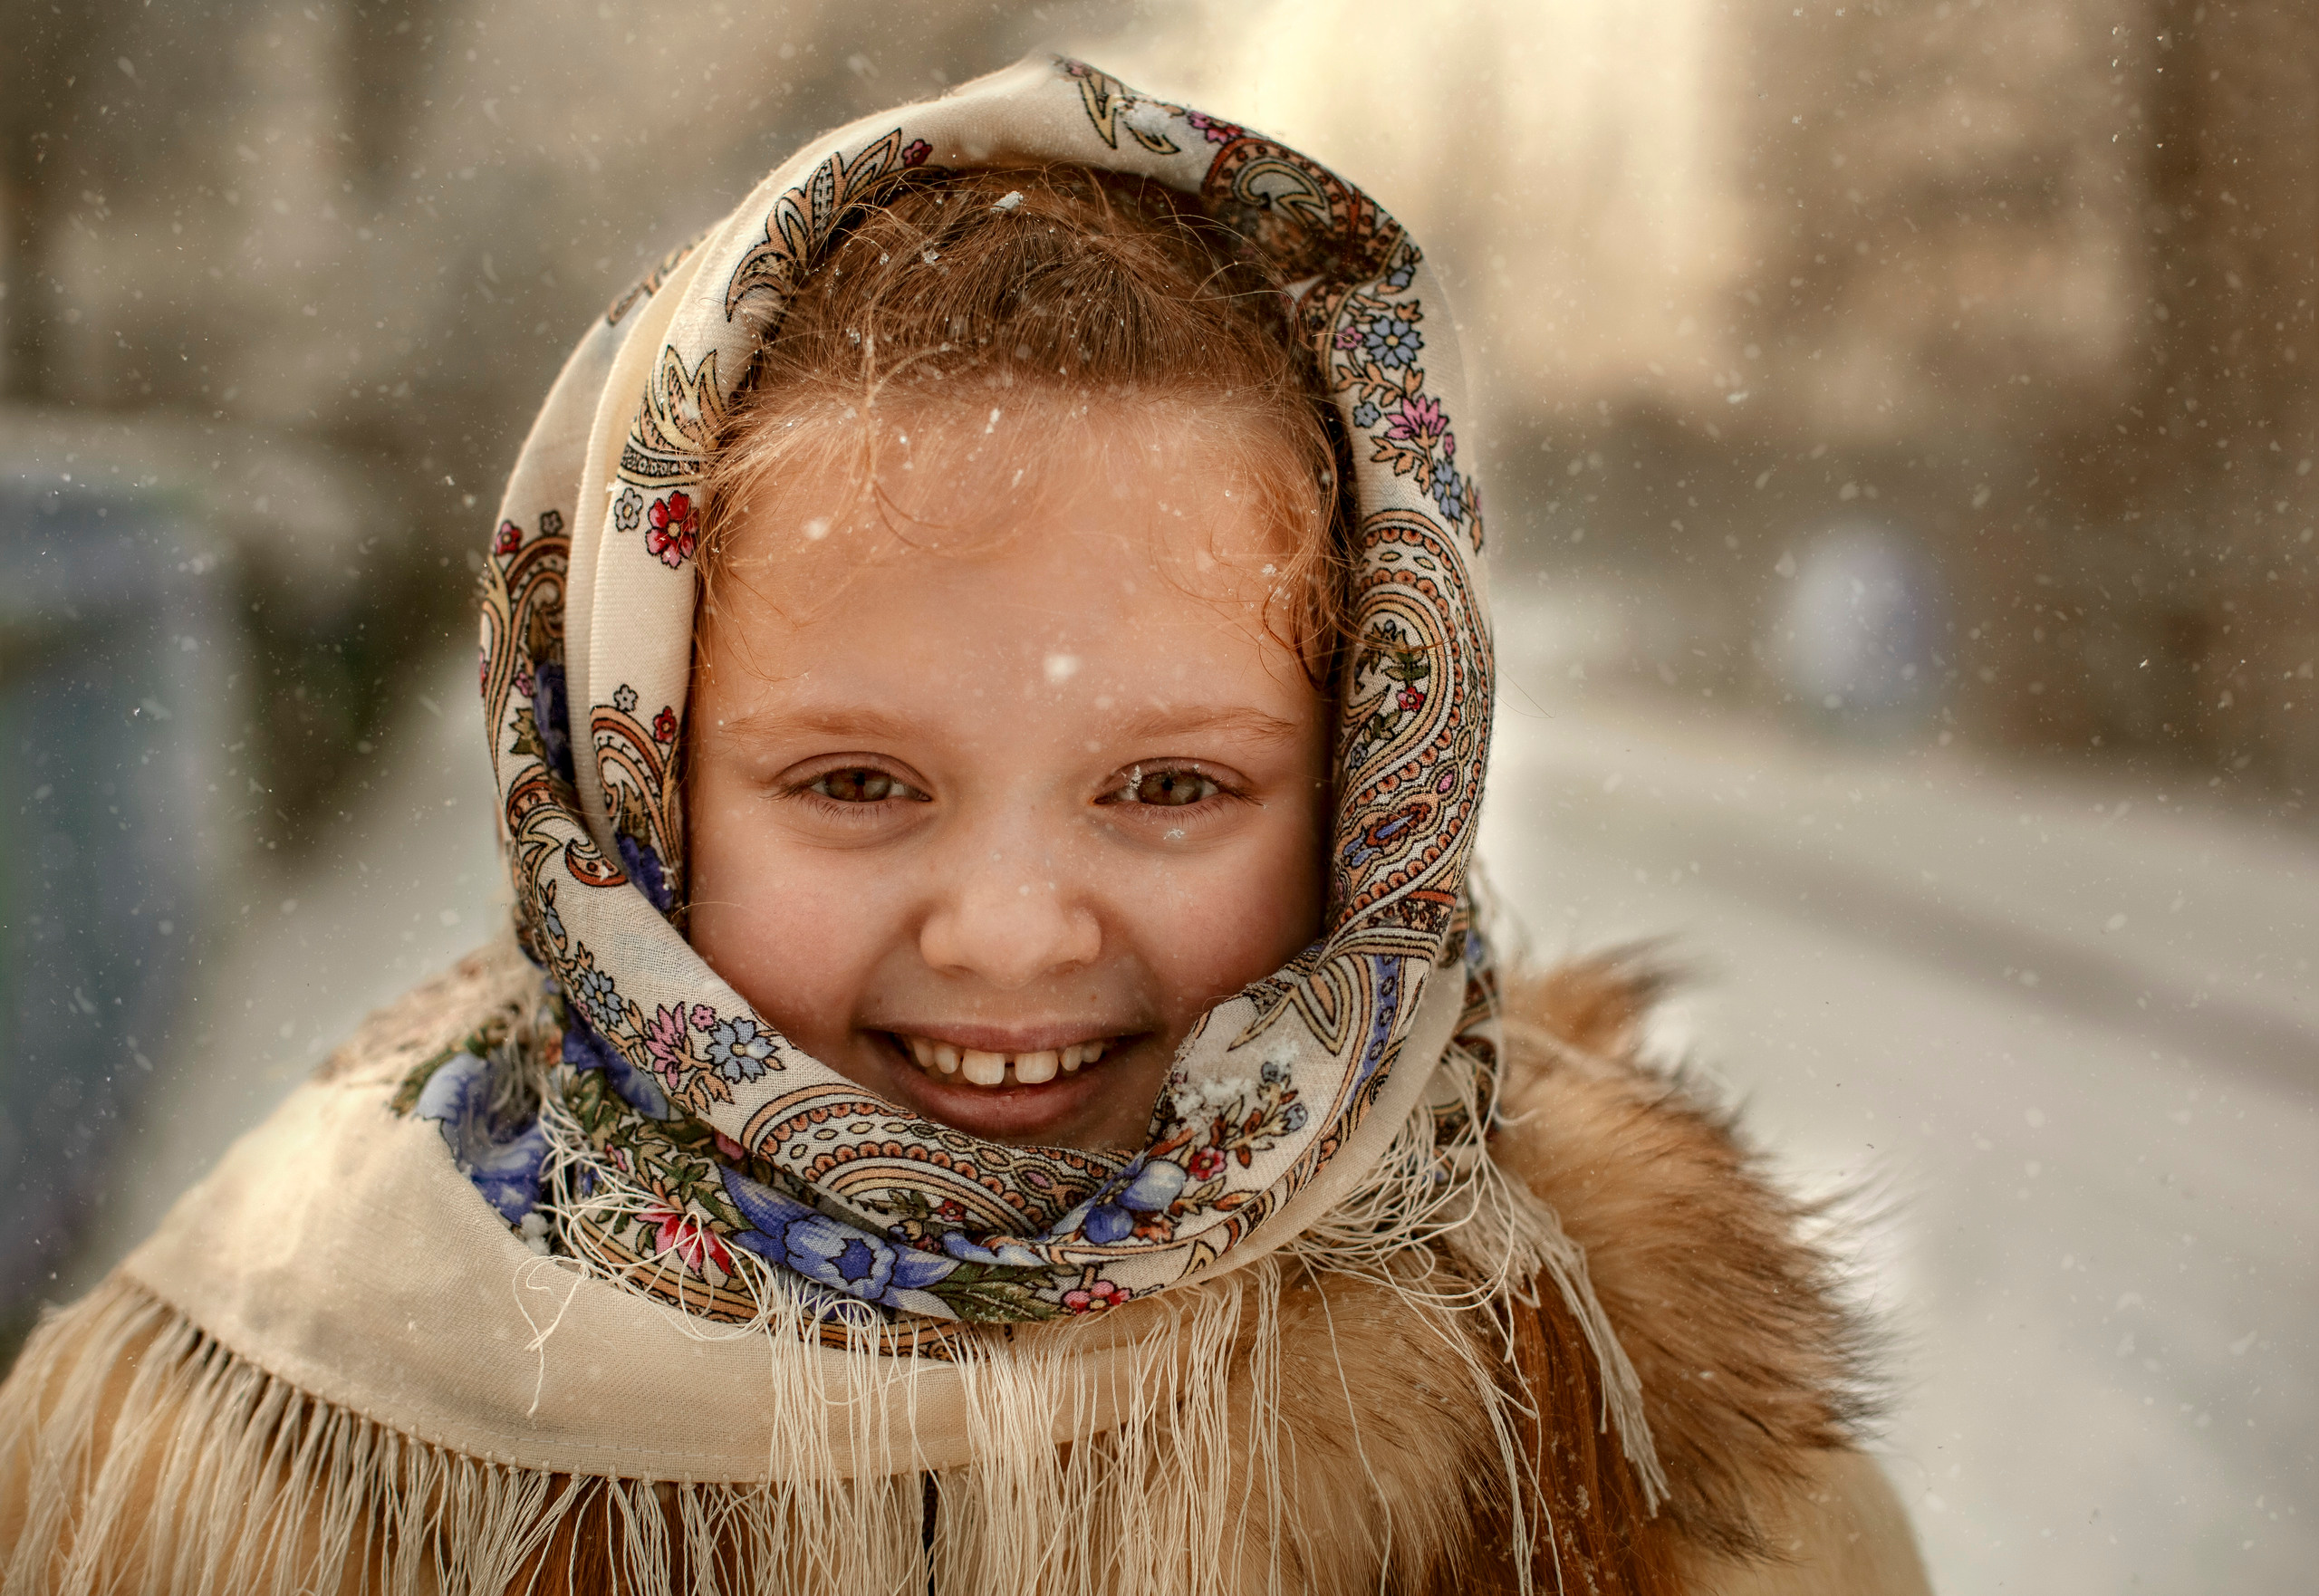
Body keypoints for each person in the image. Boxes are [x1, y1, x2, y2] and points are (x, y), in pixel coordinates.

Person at [0, 57, 1931, 1594]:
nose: (1009, 933)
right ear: (629, 792)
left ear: (1369, 791)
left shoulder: (1636, 1450)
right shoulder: (242, 1459)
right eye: (855, 784)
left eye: (1169, 788)